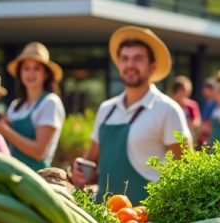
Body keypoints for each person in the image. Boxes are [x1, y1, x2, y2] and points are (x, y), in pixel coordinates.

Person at [73, 26, 192, 204]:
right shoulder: (107, 109)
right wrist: (80, 170)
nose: (130, 65)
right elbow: (92, 160)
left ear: (152, 67)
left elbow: (186, 169)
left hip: (146, 222)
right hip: (103, 217)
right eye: (125, 58)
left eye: (138, 59)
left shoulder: (167, 110)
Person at [0, 42, 65, 171]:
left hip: (38, 177)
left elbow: (39, 152)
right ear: (20, 73)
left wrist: (5, 130)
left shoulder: (50, 102)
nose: (31, 73)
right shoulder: (15, 105)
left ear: (46, 74)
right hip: (12, 172)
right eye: (26, 68)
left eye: (36, 68)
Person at [170, 75, 202, 140]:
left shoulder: (191, 105)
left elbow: (197, 121)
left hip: (188, 136)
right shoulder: (169, 104)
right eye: (181, 90)